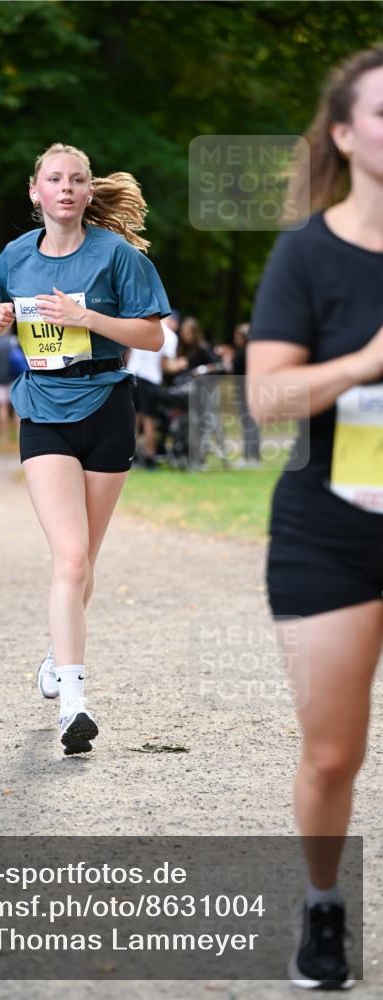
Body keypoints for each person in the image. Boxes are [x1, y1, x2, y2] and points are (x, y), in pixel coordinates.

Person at [247, 44, 383, 991]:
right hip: (332, 528)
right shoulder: (306, 252)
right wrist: (365, 361)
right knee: (333, 753)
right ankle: (323, 904)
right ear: (343, 135)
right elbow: (266, 397)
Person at [0, 142, 170, 755]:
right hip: (42, 409)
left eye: (77, 179)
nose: (65, 188)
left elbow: (153, 335)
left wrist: (88, 320)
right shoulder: (14, 256)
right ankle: (74, 703)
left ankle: (56, 658)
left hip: (107, 407)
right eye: (54, 179)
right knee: (69, 556)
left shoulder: (116, 256)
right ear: (34, 192)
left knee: (83, 562)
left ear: (89, 193)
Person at [125, 317, 179, 469]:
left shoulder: (141, 326)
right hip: (150, 379)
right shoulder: (170, 336)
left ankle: (131, 455)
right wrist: (180, 365)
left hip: (133, 375)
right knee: (150, 420)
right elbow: (165, 365)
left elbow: (128, 354)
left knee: (134, 418)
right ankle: (150, 456)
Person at [231, 323, 260, 467]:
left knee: (249, 424)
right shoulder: (250, 352)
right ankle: (250, 456)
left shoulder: (244, 353)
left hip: (247, 392)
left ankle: (251, 456)